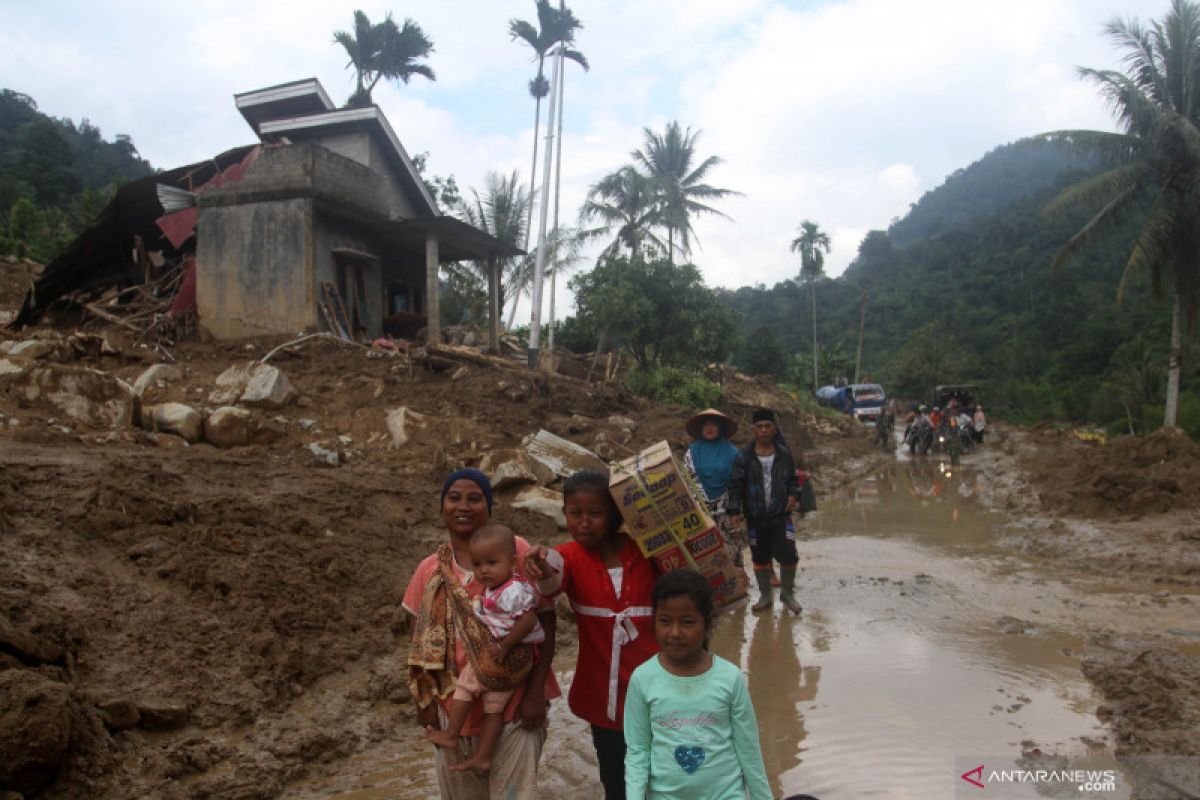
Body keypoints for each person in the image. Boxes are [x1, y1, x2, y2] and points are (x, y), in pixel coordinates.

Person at [404, 469, 560, 799]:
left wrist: (536, 693)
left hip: (515, 707)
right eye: (454, 498)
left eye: (475, 498)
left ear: (488, 507)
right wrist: (424, 699)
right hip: (454, 710)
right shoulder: (430, 569)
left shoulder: (514, 550)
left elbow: (545, 620)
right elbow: (416, 641)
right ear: (442, 506)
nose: (463, 506)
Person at [524, 470, 659, 800]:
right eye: (575, 513)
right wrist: (541, 566)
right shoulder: (568, 556)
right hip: (604, 698)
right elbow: (552, 577)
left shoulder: (647, 551)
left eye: (595, 513)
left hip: (657, 693)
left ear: (614, 513)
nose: (584, 522)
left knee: (661, 776)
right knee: (615, 779)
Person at [623, 570, 771, 800]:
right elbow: (638, 750)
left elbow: (749, 748)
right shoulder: (642, 678)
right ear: (654, 621)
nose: (675, 633)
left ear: (708, 623)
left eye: (687, 622)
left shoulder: (729, 678)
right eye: (665, 621)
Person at [425, 523, 546, 774]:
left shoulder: (511, 590)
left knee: (466, 684)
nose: (484, 571)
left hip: (504, 655)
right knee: (494, 709)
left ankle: (451, 732)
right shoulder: (502, 587)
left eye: (492, 563)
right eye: (477, 564)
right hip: (511, 664)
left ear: (513, 562)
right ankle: (483, 756)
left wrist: (504, 646)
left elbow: (529, 620)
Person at [727, 408, 801, 614]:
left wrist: (794, 495)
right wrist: (734, 512)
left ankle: (787, 594)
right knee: (759, 557)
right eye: (759, 427)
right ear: (753, 430)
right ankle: (766, 597)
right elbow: (735, 486)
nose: (764, 430)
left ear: (774, 429)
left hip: (781, 516)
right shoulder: (744, 457)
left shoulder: (783, 454)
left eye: (768, 426)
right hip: (755, 518)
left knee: (788, 553)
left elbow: (793, 480)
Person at [682, 408, 744, 567]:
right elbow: (688, 480)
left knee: (730, 549)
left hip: (726, 511)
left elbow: (738, 483)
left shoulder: (733, 453)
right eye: (706, 425)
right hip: (700, 512)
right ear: (701, 429)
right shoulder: (692, 452)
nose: (709, 428)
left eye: (713, 425)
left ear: (720, 429)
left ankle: (735, 586)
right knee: (702, 554)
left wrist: (736, 511)